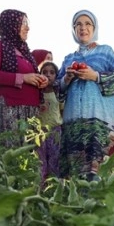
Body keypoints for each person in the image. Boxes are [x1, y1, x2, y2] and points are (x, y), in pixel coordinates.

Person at [57, 10, 114, 180]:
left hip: (100, 123)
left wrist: (95, 76)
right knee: (75, 178)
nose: (83, 28)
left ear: (94, 28)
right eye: (78, 24)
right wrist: (67, 78)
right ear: (73, 29)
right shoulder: (68, 59)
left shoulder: (106, 52)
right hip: (74, 125)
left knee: (101, 174)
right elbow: (57, 91)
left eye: (87, 24)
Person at [0, 9, 47, 154]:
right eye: (23, 23)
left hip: (31, 110)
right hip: (9, 108)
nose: (27, 27)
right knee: (10, 155)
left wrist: (39, 80)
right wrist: (23, 78)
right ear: (11, 25)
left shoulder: (25, 52)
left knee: (29, 157)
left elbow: (30, 76)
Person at [33, 50, 63, 182]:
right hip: (39, 133)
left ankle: (54, 189)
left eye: (52, 73)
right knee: (40, 163)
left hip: (55, 131)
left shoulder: (57, 92)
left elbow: (62, 110)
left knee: (55, 162)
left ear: (56, 76)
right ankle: (40, 190)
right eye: (44, 72)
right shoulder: (35, 93)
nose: (48, 75)